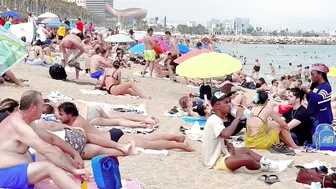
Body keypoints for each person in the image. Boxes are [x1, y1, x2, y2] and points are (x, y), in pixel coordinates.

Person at [0, 90, 88, 189]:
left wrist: (75, 154)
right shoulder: (18, 125)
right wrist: (73, 170)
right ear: (33, 107)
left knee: (56, 150)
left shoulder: (26, 120)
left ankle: (80, 174)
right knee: (50, 167)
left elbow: (51, 139)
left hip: (19, 165)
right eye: (42, 106)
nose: (43, 110)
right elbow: (46, 150)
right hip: (4, 175)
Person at [58, 102, 194, 151]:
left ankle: (180, 145)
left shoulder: (77, 125)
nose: (59, 117)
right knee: (148, 138)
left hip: (113, 138)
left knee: (148, 144)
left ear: (70, 114)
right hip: (112, 134)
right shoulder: (78, 119)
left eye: (61, 114)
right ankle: (176, 137)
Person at [202, 92, 280, 172]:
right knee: (246, 158)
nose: (229, 105)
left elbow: (217, 136)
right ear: (217, 106)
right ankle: (266, 168)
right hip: (214, 162)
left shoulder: (215, 119)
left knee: (245, 150)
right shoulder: (214, 120)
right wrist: (238, 117)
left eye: (229, 101)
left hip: (220, 155)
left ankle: (271, 162)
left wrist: (227, 143)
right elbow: (226, 134)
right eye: (226, 102)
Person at [306, 63, 332, 130]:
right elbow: (311, 99)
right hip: (314, 116)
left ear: (320, 75)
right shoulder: (316, 86)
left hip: (322, 118)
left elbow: (318, 99)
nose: (311, 77)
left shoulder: (326, 87)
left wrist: (309, 91)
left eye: (313, 75)